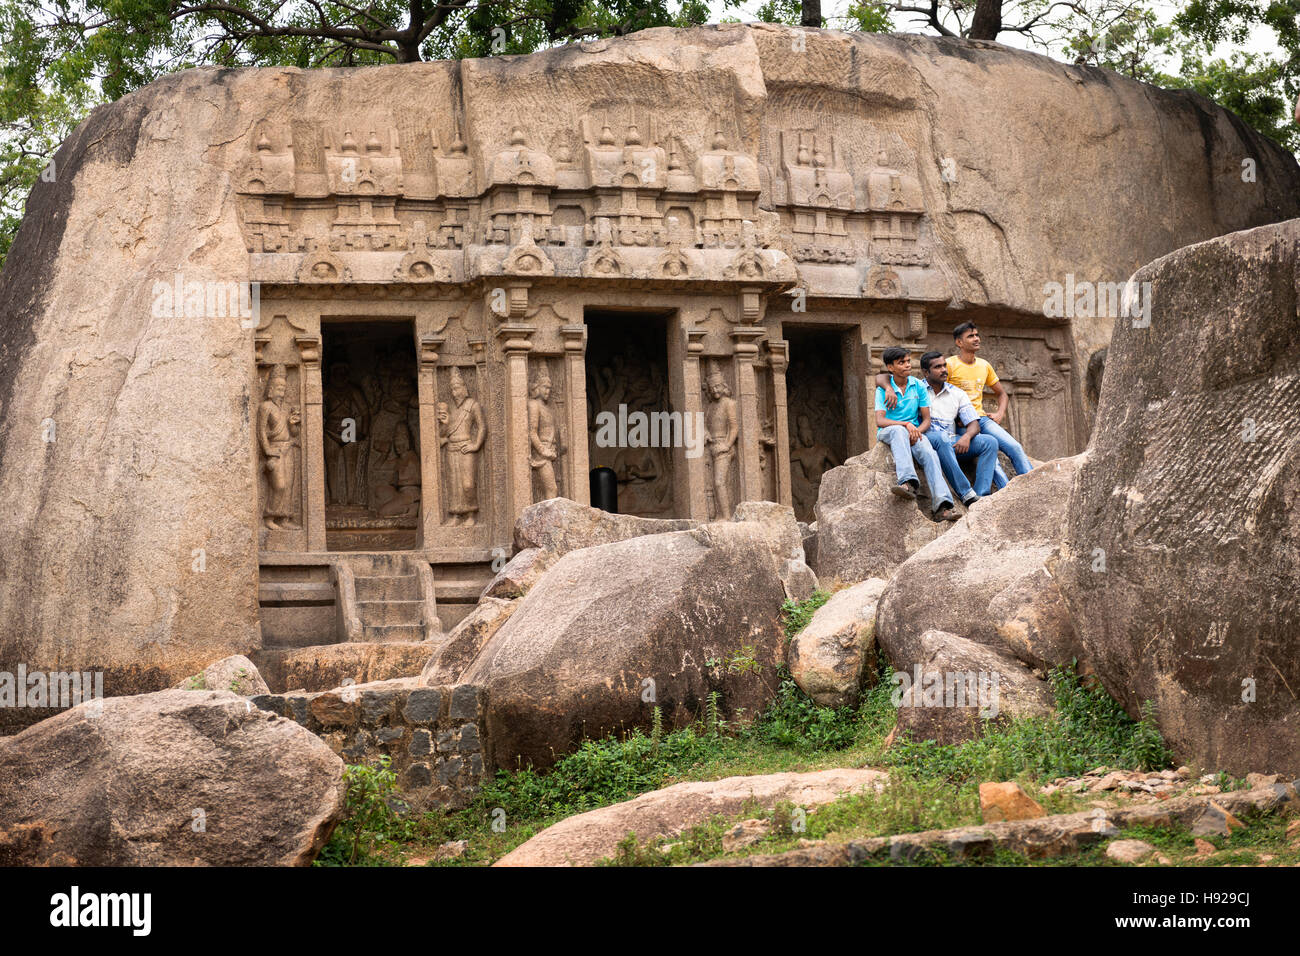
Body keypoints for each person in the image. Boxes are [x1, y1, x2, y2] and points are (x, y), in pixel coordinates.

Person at [873, 347, 959, 521]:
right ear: (890, 367)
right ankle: (907, 482)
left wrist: (916, 431)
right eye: (901, 362)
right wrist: (906, 425)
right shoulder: (883, 389)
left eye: (907, 361)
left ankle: (942, 506)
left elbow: (927, 420)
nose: (907, 365)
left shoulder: (918, 385)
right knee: (898, 431)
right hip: (889, 431)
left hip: (914, 432)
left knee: (929, 453)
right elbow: (880, 421)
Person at [946, 322, 1033, 487]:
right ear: (959, 342)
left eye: (977, 335)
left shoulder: (984, 365)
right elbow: (938, 393)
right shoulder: (949, 365)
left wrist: (1000, 413)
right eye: (970, 336)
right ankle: (1006, 491)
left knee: (1014, 447)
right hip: (962, 422)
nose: (976, 338)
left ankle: (1031, 487)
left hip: (982, 418)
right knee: (992, 454)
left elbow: (1002, 394)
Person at [918, 350, 999, 504]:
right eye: (937, 367)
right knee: (941, 438)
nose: (943, 370)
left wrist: (967, 437)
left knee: (990, 442)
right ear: (925, 372)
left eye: (944, 366)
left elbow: (974, 423)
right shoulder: (916, 389)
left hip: (951, 442)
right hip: (926, 441)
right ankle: (966, 493)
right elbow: (884, 379)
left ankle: (981, 496)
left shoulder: (957, 393)